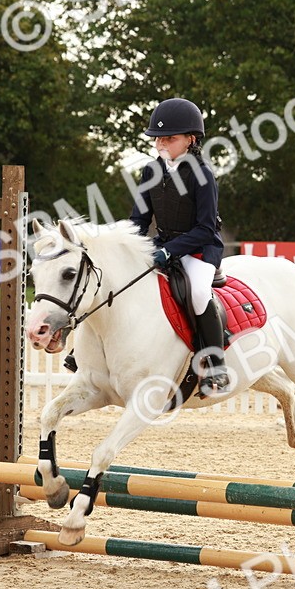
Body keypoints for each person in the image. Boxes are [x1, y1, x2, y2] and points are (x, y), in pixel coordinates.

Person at [129, 97, 229, 397]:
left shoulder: (203, 175)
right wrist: (128, 247)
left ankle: (215, 366)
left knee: (198, 292)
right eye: (158, 138)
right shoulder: (150, 172)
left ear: (191, 139)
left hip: (200, 248)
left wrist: (170, 251)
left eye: (169, 139)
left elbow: (205, 228)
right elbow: (139, 220)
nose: (161, 144)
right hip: (164, 244)